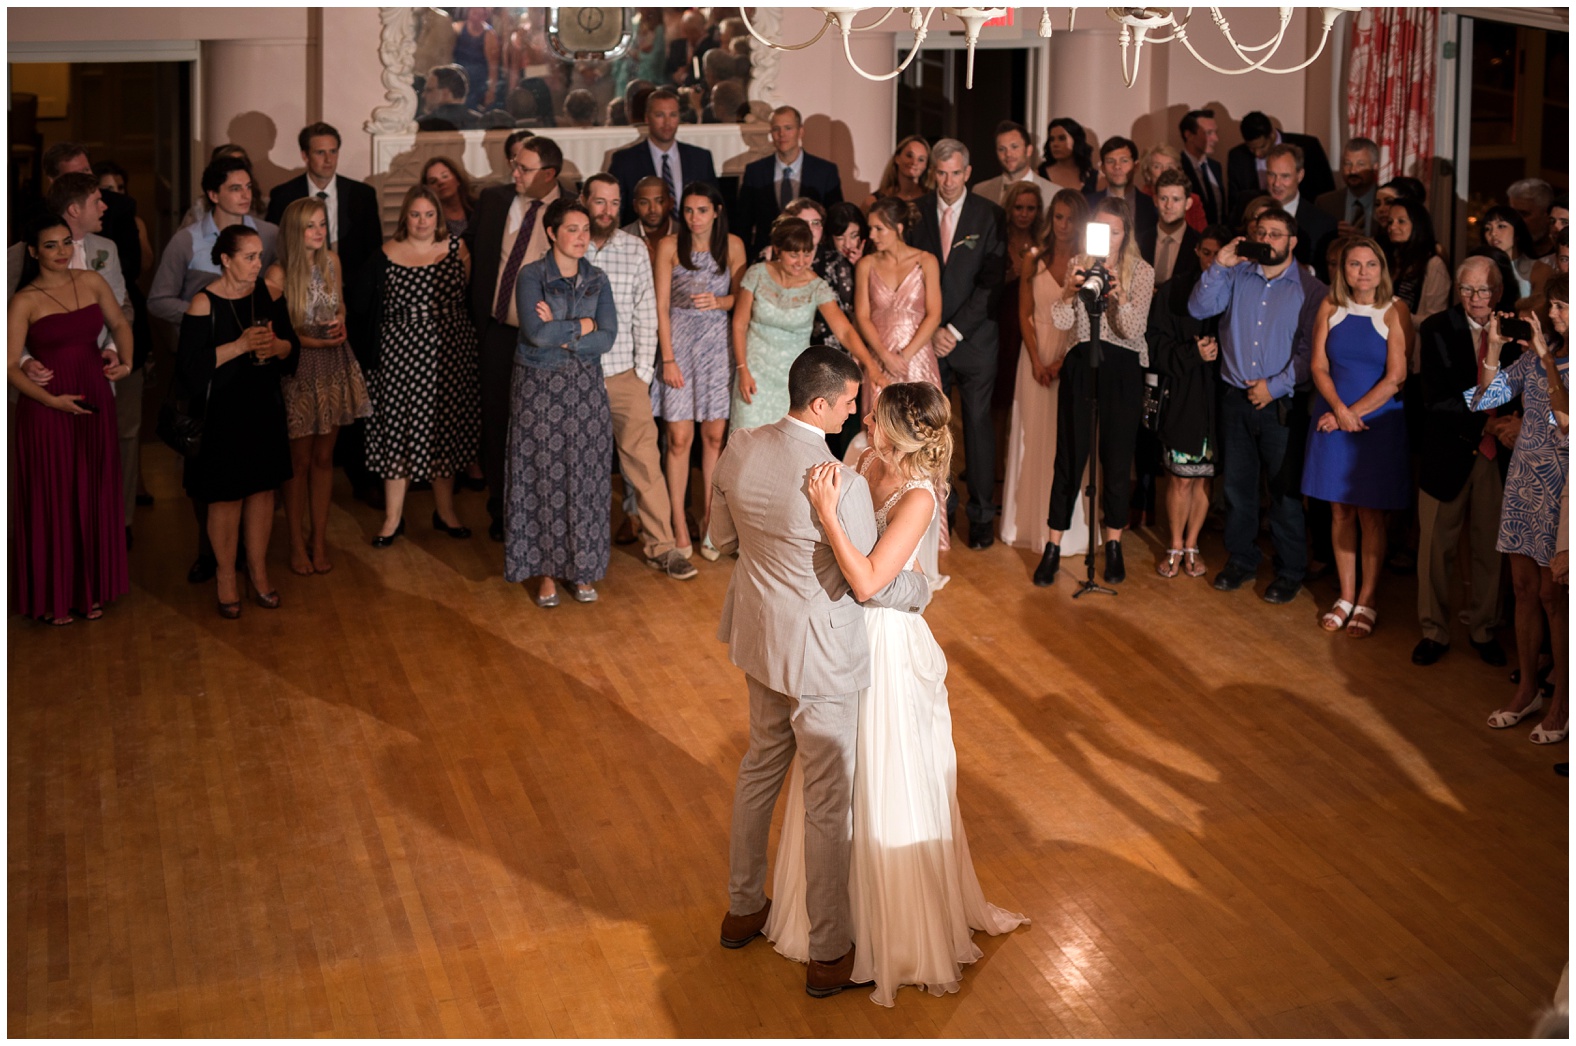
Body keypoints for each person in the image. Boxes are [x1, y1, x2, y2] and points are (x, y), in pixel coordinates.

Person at [764, 381, 1027, 1005]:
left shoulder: (920, 498)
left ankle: (892, 930)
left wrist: (828, 513)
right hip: (841, 638)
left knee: (885, 778)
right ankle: (831, 919)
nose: (866, 420)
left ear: (900, 431)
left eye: (877, 416)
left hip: (884, 646)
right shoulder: (860, 460)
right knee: (835, 777)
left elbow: (868, 578)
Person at [711, 346, 931, 1000]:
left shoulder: (741, 447)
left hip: (759, 640)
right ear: (820, 403)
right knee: (829, 802)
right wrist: (920, 591)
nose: (853, 411)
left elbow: (723, 541)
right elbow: (865, 583)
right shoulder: (844, 483)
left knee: (759, 769)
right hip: (823, 658)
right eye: (846, 401)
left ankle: (742, 909)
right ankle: (830, 951)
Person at [148, 153, 279, 585]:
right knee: (211, 476)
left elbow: (276, 292)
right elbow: (158, 299)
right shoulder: (187, 241)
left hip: (256, 373)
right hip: (209, 372)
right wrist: (207, 319)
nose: (245, 195)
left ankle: (252, 559)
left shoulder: (270, 235)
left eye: (248, 188)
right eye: (236, 188)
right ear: (213, 194)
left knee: (257, 479)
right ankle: (212, 556)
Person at [1189, 207, 1327, 603]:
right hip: (1234, 399)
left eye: (1276, 234)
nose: (1267, 240)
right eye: (1261, 232)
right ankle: (1241, 560)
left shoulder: (1310, 289)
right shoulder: (1234, 274)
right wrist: (1220, 263)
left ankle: (1289, 570)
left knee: (1283, 494)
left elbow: (1310, 351)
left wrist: (1275, 386)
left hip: (1281, 404)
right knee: (1237, 488)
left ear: (1292, 242)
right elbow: (1200, 308)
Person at [8, 213, 133, 625]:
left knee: (92, 490)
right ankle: (54, 595)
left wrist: (123, 358)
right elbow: (9, 366)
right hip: (48, 408)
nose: (62, 252)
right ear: (32, 251)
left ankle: (89, 590)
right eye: (50, 245)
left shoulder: (92, 281)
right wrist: (50, 400)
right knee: (55, 497)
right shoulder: (24, 298)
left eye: (65, 243)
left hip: (95, 398)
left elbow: (119, 322)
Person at [176, 224, 299, 619]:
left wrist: (277, 346)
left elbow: (290, 353)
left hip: (263, 406)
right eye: (249, 257)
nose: (257, 264)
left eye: (260, 256)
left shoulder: (267, 293)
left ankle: (259, 572)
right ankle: (226, 577)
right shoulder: (202, 303)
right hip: (222, 414)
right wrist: (240, 346)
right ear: (225, 260)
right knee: (226, 498)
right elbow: (191, 372)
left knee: (263, 492)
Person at [581, 173, 696, 581]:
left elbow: (647, 315)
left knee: (645, 464)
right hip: (574, 378)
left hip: (622, 376)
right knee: (580, 467)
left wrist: (642, 373)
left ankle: (663, 548)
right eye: (599, 202)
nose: (607, 211)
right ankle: (581, 551)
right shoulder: (567, 247)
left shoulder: (632, 250)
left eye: (613, 203)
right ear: (584, 201)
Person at [1037, 197, 1155, 585]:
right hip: (1080, 363)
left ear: (1126, 234)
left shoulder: (1142, 271)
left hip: (1122, 367)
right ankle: (1052, 547)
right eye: (1102, 229)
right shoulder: (1078, 264)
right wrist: (1071, 292)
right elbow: (1059, 319)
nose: (1109, 238)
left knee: (1117, 459)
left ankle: (1114, 545)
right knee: (1070, 456)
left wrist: (1119, 295)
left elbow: (1134, 329)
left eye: (1115, 231)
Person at [1471, 277, 1569, 743]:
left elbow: (1566, 420)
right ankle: (1528, 689)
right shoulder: (1531, 358)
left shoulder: (1550, 360)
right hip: (1523, 484)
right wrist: (1492, 349)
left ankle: (1563, 702)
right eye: (1551, 308)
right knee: (1524, 590)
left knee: (1556, 599)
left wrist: (1550, 362)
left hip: (1563, 492)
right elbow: (1483, 400)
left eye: (1561, 308)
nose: (1552, 316)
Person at [356, 186, 480, 549]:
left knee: (443, 429)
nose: (423, 222)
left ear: (438, 217)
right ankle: (393, 518)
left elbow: (469, 296)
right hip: (398, 357)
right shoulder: (384, 254)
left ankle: (446, 512)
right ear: (404, 217)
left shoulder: (459, 249)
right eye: (415, 214)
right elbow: (364, 303)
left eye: (429, 214)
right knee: (398, 430)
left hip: (450, 352)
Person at [507, 199, 616, 607]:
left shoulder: (598, 279)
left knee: (585, 479)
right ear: (552, 233)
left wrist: (562, 326)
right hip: (539, 388)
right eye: (573, 229)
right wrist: (582, 326)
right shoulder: (531, 276)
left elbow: (608, 336)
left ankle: (582, 569)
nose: (582, 237)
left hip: (586, 391)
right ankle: (548, 574)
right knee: (543, 478)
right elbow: (535, 334)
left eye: (586, 229)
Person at [1301, 238, 1412, 636]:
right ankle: (1345, 595)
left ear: (1382, 269)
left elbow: (1397, 377)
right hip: (1334, 418)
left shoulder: (1395, 310)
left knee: (1370, 514)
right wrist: (1339, 411)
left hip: (1376, 425)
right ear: (1341, 269)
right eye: (1353, 264)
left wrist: (1351, 414)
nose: (1362, 272)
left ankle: (1368, 599)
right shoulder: (1329, 306)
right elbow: (1318, 366)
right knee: (1339, 511)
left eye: (1370, 264)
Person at [1411, 258, 1516, 667]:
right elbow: (1435, 399)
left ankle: (1484, 629)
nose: (1476, 298)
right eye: (1468, 289)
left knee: (1491, 549)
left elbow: (1523, 390)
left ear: (1499, 292)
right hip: (1447, 451)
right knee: (1435, 549)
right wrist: (1488, 426)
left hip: (1499, 459)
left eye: (1484, 290)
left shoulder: (1516, 329)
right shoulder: (1438, 327)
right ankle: (1433, 631)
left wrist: (1508, 424)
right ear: (1457, 290)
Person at [265, 198, 372, 574]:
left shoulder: (332, 262)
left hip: (334, 362)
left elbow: (339, 305)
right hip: (300, 367)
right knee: (299, 462)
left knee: (326, 459)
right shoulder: (277, 274)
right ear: (294, 230)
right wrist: (315, 341)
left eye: (322, 224)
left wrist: (340, 324)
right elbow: (278, 333)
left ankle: (319, 539)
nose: (318, 232)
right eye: (310, 225)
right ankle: (295, 543)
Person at [911, 139, 1007, 549]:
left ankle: (982, 515)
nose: (947, 182)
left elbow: (992, 281)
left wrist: (955, 330)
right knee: (932, 430)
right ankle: (940, 512)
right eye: (941, 173)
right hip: (927, 338)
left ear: (968, 173)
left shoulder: (990, 215)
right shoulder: (916, 214)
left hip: (975, 341)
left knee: (978, 427)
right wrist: (933, 328)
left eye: (955, 173)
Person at [469, 131, 561, 543]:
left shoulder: (569, 210)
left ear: (549, 174)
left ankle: (539, 514)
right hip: (495, 333)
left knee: (539, 428)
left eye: (524, 168)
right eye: (515, 165)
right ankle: (501, 511)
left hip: (544, 342)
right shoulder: (494, 200)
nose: (515, 172)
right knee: (496, 423)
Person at [653, 181, 745, 558]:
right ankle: (678, 521)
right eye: (688, 211)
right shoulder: (669, 246)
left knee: (713, 438)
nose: (694, 218)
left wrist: (721, 300)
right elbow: (660, 307)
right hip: (680, 348)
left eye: (701, 210)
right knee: (678, 439)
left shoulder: (734, 245)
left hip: (718, 348)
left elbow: (744, 295)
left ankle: (710, 521)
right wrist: (668, 358)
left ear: (716, 211)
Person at [1004, 189, 1089, 557]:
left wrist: (1060, 362)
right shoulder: (1034, 259)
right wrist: (1038, 361)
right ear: (1050, 219)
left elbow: (1086, 319)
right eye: (1058, 217)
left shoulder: (1088, 262)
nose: (1064, 225)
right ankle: (1025, 523)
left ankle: (1067, 530)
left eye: (1071, 218)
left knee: (1067, 439)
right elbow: (1023, 314)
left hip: (1073, 355)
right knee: (1031, 435)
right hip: (1034, 355)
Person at [732, 216, 874, 433]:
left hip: (794, 381)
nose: (801, 261)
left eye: (806, 254)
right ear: (778, 250)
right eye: (793, 254)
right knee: (746, 439)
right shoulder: (757, 274)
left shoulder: (817, 287)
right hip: (754, 374)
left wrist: (870, 364)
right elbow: (740, 324)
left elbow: (844, 331)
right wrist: (743, 370)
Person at [1145, 224, 1228, 579]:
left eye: (1219, 254)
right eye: (1206, 252)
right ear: (1197, 252)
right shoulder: (1175, 291)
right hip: (1182, 396)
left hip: (1219, 400)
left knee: (1204, 478)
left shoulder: (1238, 291)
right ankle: (1175, 544)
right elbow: (1153, 345)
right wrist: (1192, 353)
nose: (1211, 260)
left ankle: (1193, 543)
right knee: (1179, 478)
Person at [853, 196, 943, 409]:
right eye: (870, 228)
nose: (872, 235)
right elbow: (862, 316)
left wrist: (905, 355)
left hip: (917, 356)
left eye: (879, 229)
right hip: (879, 357)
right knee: (880, 427)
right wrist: (884, 356)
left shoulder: (926, 261)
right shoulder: (866, 265)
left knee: (921, 425)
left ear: (899, 228)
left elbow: (934, 315)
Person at [736, 105, 844, 257]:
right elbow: (743, 224)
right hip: (767, 257)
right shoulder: (755, 172)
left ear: (801, 131)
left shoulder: (825, 171)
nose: (782, 134)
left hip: (812, 257)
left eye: (788, 128)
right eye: (776, 129)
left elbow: (834, 220)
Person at [607, 88, 719, 227]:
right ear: (647, 118)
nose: (667, 123)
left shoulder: (701, 159)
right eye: (660, 115)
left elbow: (713, 207)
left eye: (673, 115)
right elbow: (615, 212)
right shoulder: (624, 161)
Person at [1227, 111, 1336, 215]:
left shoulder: (1308, 147)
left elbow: (1326, 191)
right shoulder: (1237, 156)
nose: (1257, 153)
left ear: (1272, 135)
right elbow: (1235, 202)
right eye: (1251, 148)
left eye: (1262, 147)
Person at [997, 182, 1044, 420]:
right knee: (1000, 399)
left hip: (1034, 323)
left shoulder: (1044, 242)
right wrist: (1012, 274)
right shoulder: (998, 238)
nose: (1024, 214)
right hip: (1002, 324)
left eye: (1031, 208)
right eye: (1019, 208)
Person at [1263, 143, 1337, 278]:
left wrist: (1305, 271)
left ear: (1300, 175)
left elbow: (1328, 272)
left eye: (1285, 176)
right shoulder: (1250, 211)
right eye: (1271, 175)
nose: (1276, 183)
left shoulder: (1323, 222)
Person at [1086, 136, 1158, 263]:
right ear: (1102, 167)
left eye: (1124, 161)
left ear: (1136, 166)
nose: (1117, 166)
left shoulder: (1151, 205)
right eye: (1110, 161)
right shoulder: (1089, 203)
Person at [1385, 198, 1451, 327]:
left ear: (1418, 224)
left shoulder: (1434, 264)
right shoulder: (1393, 258)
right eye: (1390, 222)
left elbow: (1435, 318)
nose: (1392, 227)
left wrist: (1397, 316)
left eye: (1401, 221)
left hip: (1416, 341)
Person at [972, 121, 1056, 207]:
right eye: (1001, 149)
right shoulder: (980, 191)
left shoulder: (1053, 193)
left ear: (1028, 150)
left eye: (1014, 147)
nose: (1008, 154)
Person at [1481, 205, 1554, 303]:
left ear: (1517, 232)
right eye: (1487, 228)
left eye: (1501, 226)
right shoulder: (1481, 268)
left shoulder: (1539, 269)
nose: (1493, 233)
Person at [1315, 137, 1381, 239]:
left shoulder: (1387, 202)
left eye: (1361, 164)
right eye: (1348, 164)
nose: (1353, 171)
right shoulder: (1325, 203)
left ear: (1375, 167)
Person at [1138, 145, 1205, 233]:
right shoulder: (1139, 201)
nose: (1164, 171)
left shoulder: (1193, 201)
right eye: (1157, 167)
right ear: (1148, 172)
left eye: (1169, 167)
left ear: (1178, 170)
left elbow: (1202, 238)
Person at [1150, 170, 1201, 285]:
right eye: (1163, 198)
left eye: (1176, 199)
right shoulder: (1139, 241)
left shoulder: (1199, 244)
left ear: (1188, 203)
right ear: (1155, 200)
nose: (1168, 205)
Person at [1178, 108, 1228, 226]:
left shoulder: (1215, 166)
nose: (1216, 139)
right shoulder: (1177, 167)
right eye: (1208, 133)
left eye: (1216, 132)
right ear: (1189, 135)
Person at [862, 135, 931, 211]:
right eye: (909, 155)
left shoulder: (932, 199)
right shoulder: (873, 201)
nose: (914, 162)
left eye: (921, 159)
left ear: (925, 166)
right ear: (897, 158)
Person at [451, 7, 500, 110]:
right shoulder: (458, 28)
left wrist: (491, 91)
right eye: (474, 13)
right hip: (459, 78)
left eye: (479, 14)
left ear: (485, 16)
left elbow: (493, 66)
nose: (476, 17)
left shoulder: (489, 35)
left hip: (478, 83)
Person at [1037, 117, 1099, 195]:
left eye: (1061, 138)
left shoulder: (1093, 177)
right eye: (1052, 139)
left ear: (1076, 141)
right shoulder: (1040, 174)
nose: (1055, 144)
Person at [623, 175, 676, 265]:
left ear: (671, 203)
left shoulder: (685, 234)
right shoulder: (622, 238)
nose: (652, 209)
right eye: (644, 203)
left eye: (659, 201)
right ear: (635, 206)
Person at [422, 156, 477, 239]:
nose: (440, 182)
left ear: (458, 179)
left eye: (445, 176)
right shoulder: (426, 219)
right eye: (433, 181)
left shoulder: (478, 207)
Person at [1508, 177, 1558, 262]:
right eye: (1513, 213)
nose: (1516, 221)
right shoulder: (1505, 253)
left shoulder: (1565, 255)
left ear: (1548, 215)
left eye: (1524, 214)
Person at [418, 65, 475, 130]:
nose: (423, 95)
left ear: (446, 93)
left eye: (429, 90)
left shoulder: (422, 126)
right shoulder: (479, 122)